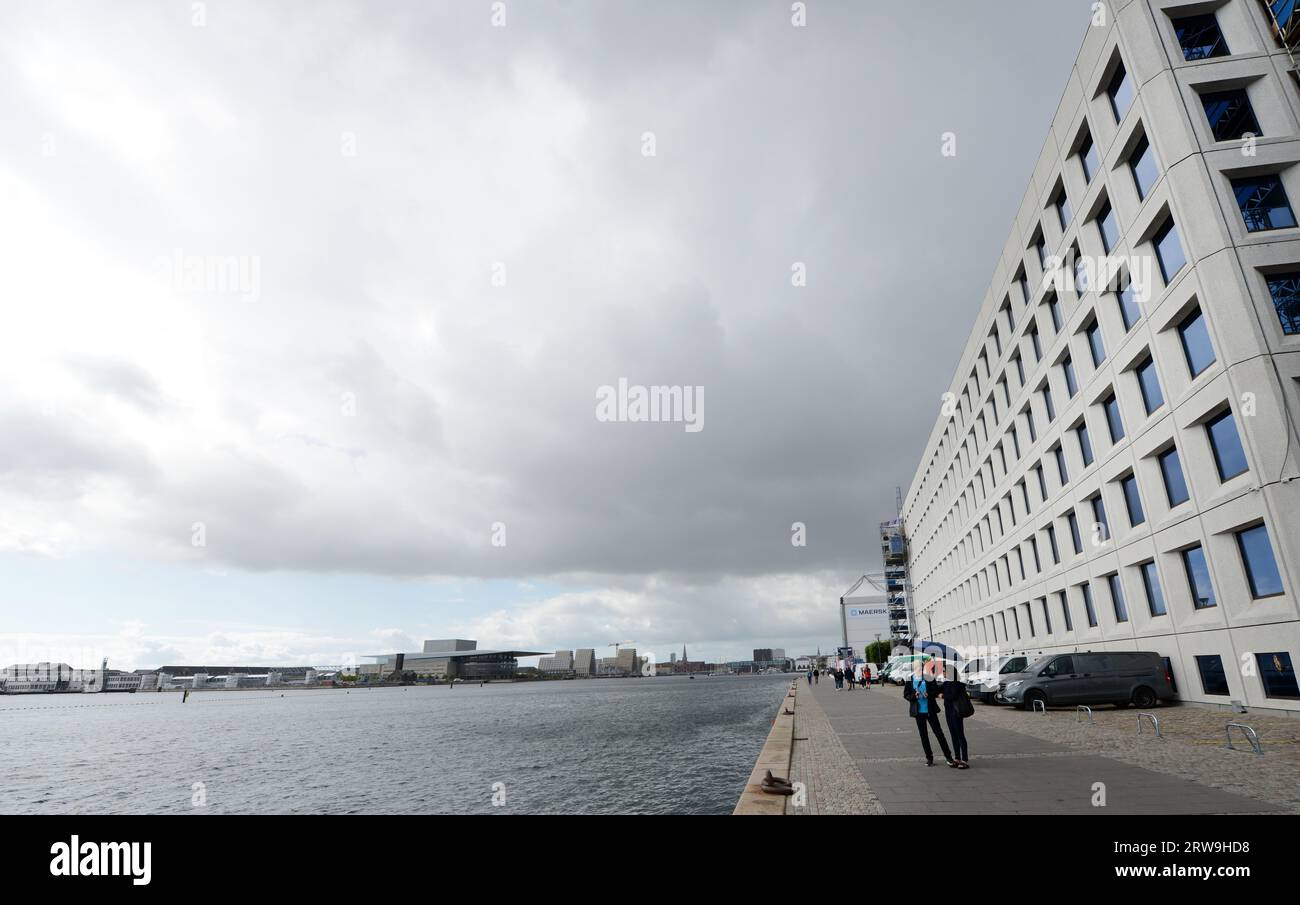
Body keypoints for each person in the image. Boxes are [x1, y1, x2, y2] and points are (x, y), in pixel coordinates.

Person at [903, 660, 955, 767]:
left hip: (930, 710)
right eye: (917, 668)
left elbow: (936, 691)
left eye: (920, 668)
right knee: (924, 736)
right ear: (913, 669)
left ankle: (948, 757)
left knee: (939, 733)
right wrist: (914, 696)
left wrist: (929, 694)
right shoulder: (910, 680)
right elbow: (906, 695)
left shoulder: (928, 677)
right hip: (918, 712)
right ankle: (929, 758)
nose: (919, 670)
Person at [940, 662, 971, 769]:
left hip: (956, 712)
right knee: (953, 735)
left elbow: (952, 696)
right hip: (948, 712)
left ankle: (965, 759)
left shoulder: (957, 683)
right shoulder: (946, 683)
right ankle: (957, 757)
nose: (942, 673)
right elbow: (936, 690)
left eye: (944, 671)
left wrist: (943, 695)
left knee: (960, 735)